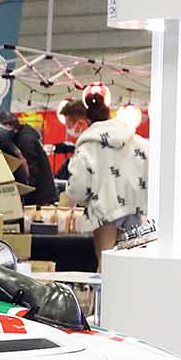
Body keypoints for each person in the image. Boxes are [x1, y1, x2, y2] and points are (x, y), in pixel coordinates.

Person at [62, 93, 148, 265]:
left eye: (69, 125)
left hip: (105, 212)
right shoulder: (135, 140)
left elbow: (78, 189)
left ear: (82, 122)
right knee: (130, 266)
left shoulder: (88, 146)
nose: (70, 130)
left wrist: (74, 198)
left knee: (106, 266)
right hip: (135, 210)